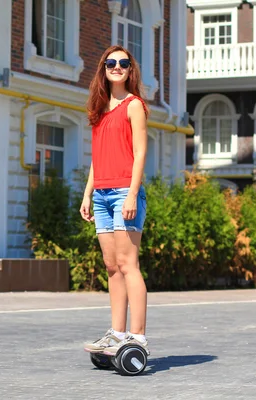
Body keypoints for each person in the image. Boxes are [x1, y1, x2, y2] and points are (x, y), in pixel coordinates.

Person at [80, 45, 150, 356]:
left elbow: (140, 153)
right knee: (111, 267)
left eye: (123, 63)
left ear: (130, 69)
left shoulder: (134, 105)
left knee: (128, 264)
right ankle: (116, 333)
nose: (117, 67)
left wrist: (132, 193)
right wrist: (88, 192)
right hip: (102, 194)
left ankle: (137, 336)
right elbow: (98, 157)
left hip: (124, 192)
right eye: (111, 62)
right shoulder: (99, 109)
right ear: (103, 69)